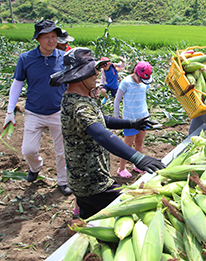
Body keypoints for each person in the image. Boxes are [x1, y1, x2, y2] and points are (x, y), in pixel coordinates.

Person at [49, 47, 165, 219]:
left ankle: (78, 222)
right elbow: (101, 133)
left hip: (82, 181)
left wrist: (132, 123)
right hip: (93, 184)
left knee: (88, 219)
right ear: (79, 76)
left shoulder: (77, 98)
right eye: (92, 71)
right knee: (137, 211)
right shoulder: (79, 107)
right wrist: (138, 158)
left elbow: (102, 119)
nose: (97, 74)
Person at [2, 19, 72, 196]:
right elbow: (17, 84)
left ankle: (63, 181)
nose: (51, 40)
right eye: (47, 37)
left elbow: (72, 83)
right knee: (29, 150)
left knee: (62, 150)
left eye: (54, 36)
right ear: (38, 39)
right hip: (34, 111)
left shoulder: (64, 58)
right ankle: (36, 166)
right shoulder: (26, 59)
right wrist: (10, 110)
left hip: (58, 111)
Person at [114, 61, 154, 178]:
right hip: (130, 119)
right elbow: (117, 99)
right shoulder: (126, 82)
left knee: (139, 142)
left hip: (143, 117)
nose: (142, 81)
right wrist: (116, 116)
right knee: (127, 145)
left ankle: (138, 165)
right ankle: (121, 168)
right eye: (140, 78)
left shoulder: (145, 81)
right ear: (135, 72)